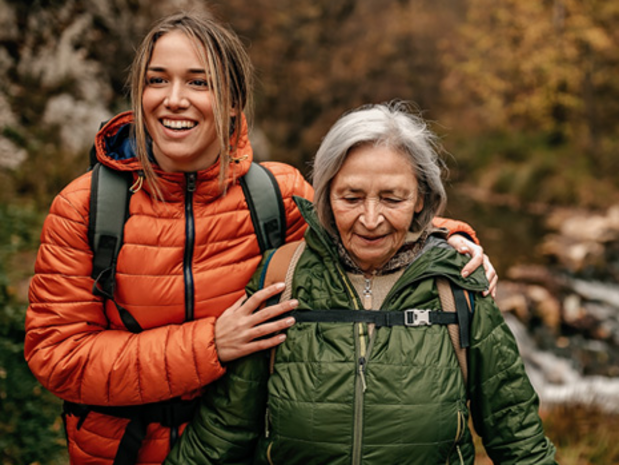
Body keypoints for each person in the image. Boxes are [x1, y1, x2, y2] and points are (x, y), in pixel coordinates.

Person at [25, 12, 495, 465]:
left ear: (233, 101)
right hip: (120, 452)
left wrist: (451, 240)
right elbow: (57, 357)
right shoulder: (86, 206)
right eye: (157, 80)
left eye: (198, 81)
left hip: (247, 450)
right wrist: (212, 343)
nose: (173, 99)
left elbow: (361, 229)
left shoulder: (276, 194)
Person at [165, 102, 557, 465]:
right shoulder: (279, 279)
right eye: (351, 197)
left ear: (421, 198)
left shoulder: (458, 287)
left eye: (392, 198)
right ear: (326, 196)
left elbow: (518, 437)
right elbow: (224, 429)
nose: (371, 219)